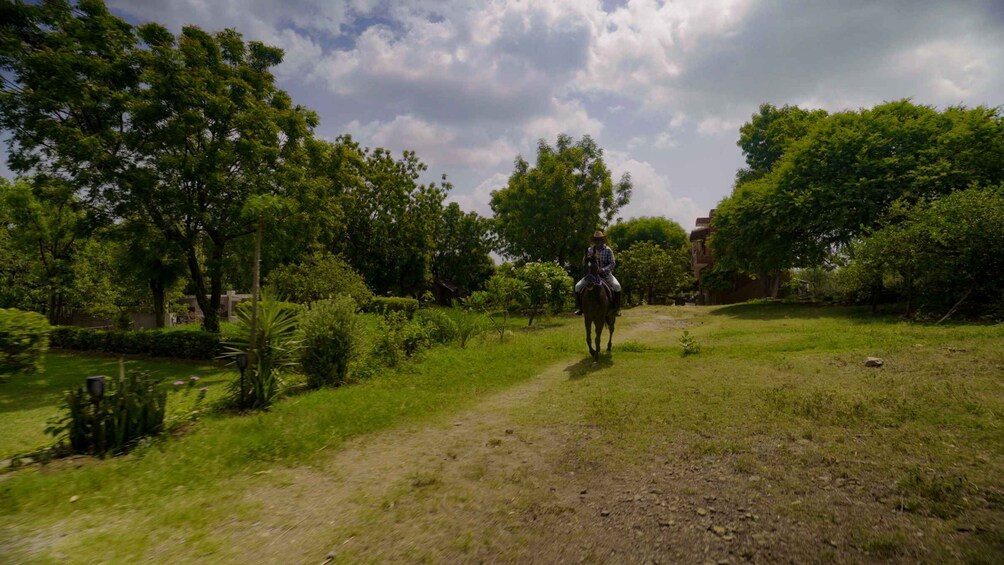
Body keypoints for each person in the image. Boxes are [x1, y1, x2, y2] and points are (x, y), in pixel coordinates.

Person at [574, 230, 622, 315]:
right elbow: (584, 262)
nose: (597, 241)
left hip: (606, 274)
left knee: (617, 286)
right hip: (591, 275)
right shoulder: (589, 250)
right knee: (577, 287)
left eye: (599, 239)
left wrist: (603, 269)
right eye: (596, 239)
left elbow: (612, 263)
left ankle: (616, 308)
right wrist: (588, 268)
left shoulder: (608, 250)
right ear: (594, 241)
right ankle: (580, 308)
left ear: (603, 240)